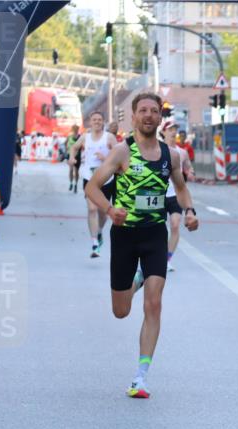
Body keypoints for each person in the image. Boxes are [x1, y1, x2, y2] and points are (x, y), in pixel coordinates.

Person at [85, 93, 199, 399]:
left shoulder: (170, 155)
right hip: (124, 236)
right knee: (121, 311)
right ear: (134, 117)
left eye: (154, 111)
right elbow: (91, 187)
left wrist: (189, 212)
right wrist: (109, 211)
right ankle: (134, 282)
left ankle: (140, 376)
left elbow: (181, 188)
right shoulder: (123, 151)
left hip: (153, 235)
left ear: (159, 118)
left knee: (154, 303)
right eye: (143, 111)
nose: (149, 115)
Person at [71, 111, 116, 258]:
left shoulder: (109, 137)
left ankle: (99, 232)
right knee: (91, 209)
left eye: (99, 119)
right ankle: (95, 242)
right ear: (90, 122)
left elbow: (119, 154)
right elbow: (74, 148)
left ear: (103, 122)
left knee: (103, 213)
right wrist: (72, 158)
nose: (97, 122)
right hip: (89, 178)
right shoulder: (85, 137)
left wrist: (106, 157)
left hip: (106, 179)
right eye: (94, 119)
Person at [160, 120, 196, 271]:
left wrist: (190, 172)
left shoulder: (182, 152)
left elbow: (188, 166)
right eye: (170, 129)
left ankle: (167, 259)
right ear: (164, 132)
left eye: (175, 129)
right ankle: (157, 256)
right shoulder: (158, 150)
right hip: (160, 195)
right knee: (160, 229)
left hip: (175, 194)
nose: (174, 132)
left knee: (175, 224)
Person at [66, 124, 81, 192]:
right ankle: (71, 183)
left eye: (76, 129)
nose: (75, 130)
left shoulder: (80, 137)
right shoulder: (69, 137)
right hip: (70, 155)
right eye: (74, 129)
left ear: (78, 129)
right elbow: (65, 144)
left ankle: (76, 184)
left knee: (76, 171)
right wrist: (66, 151)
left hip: (77, 156)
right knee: (71, 170)